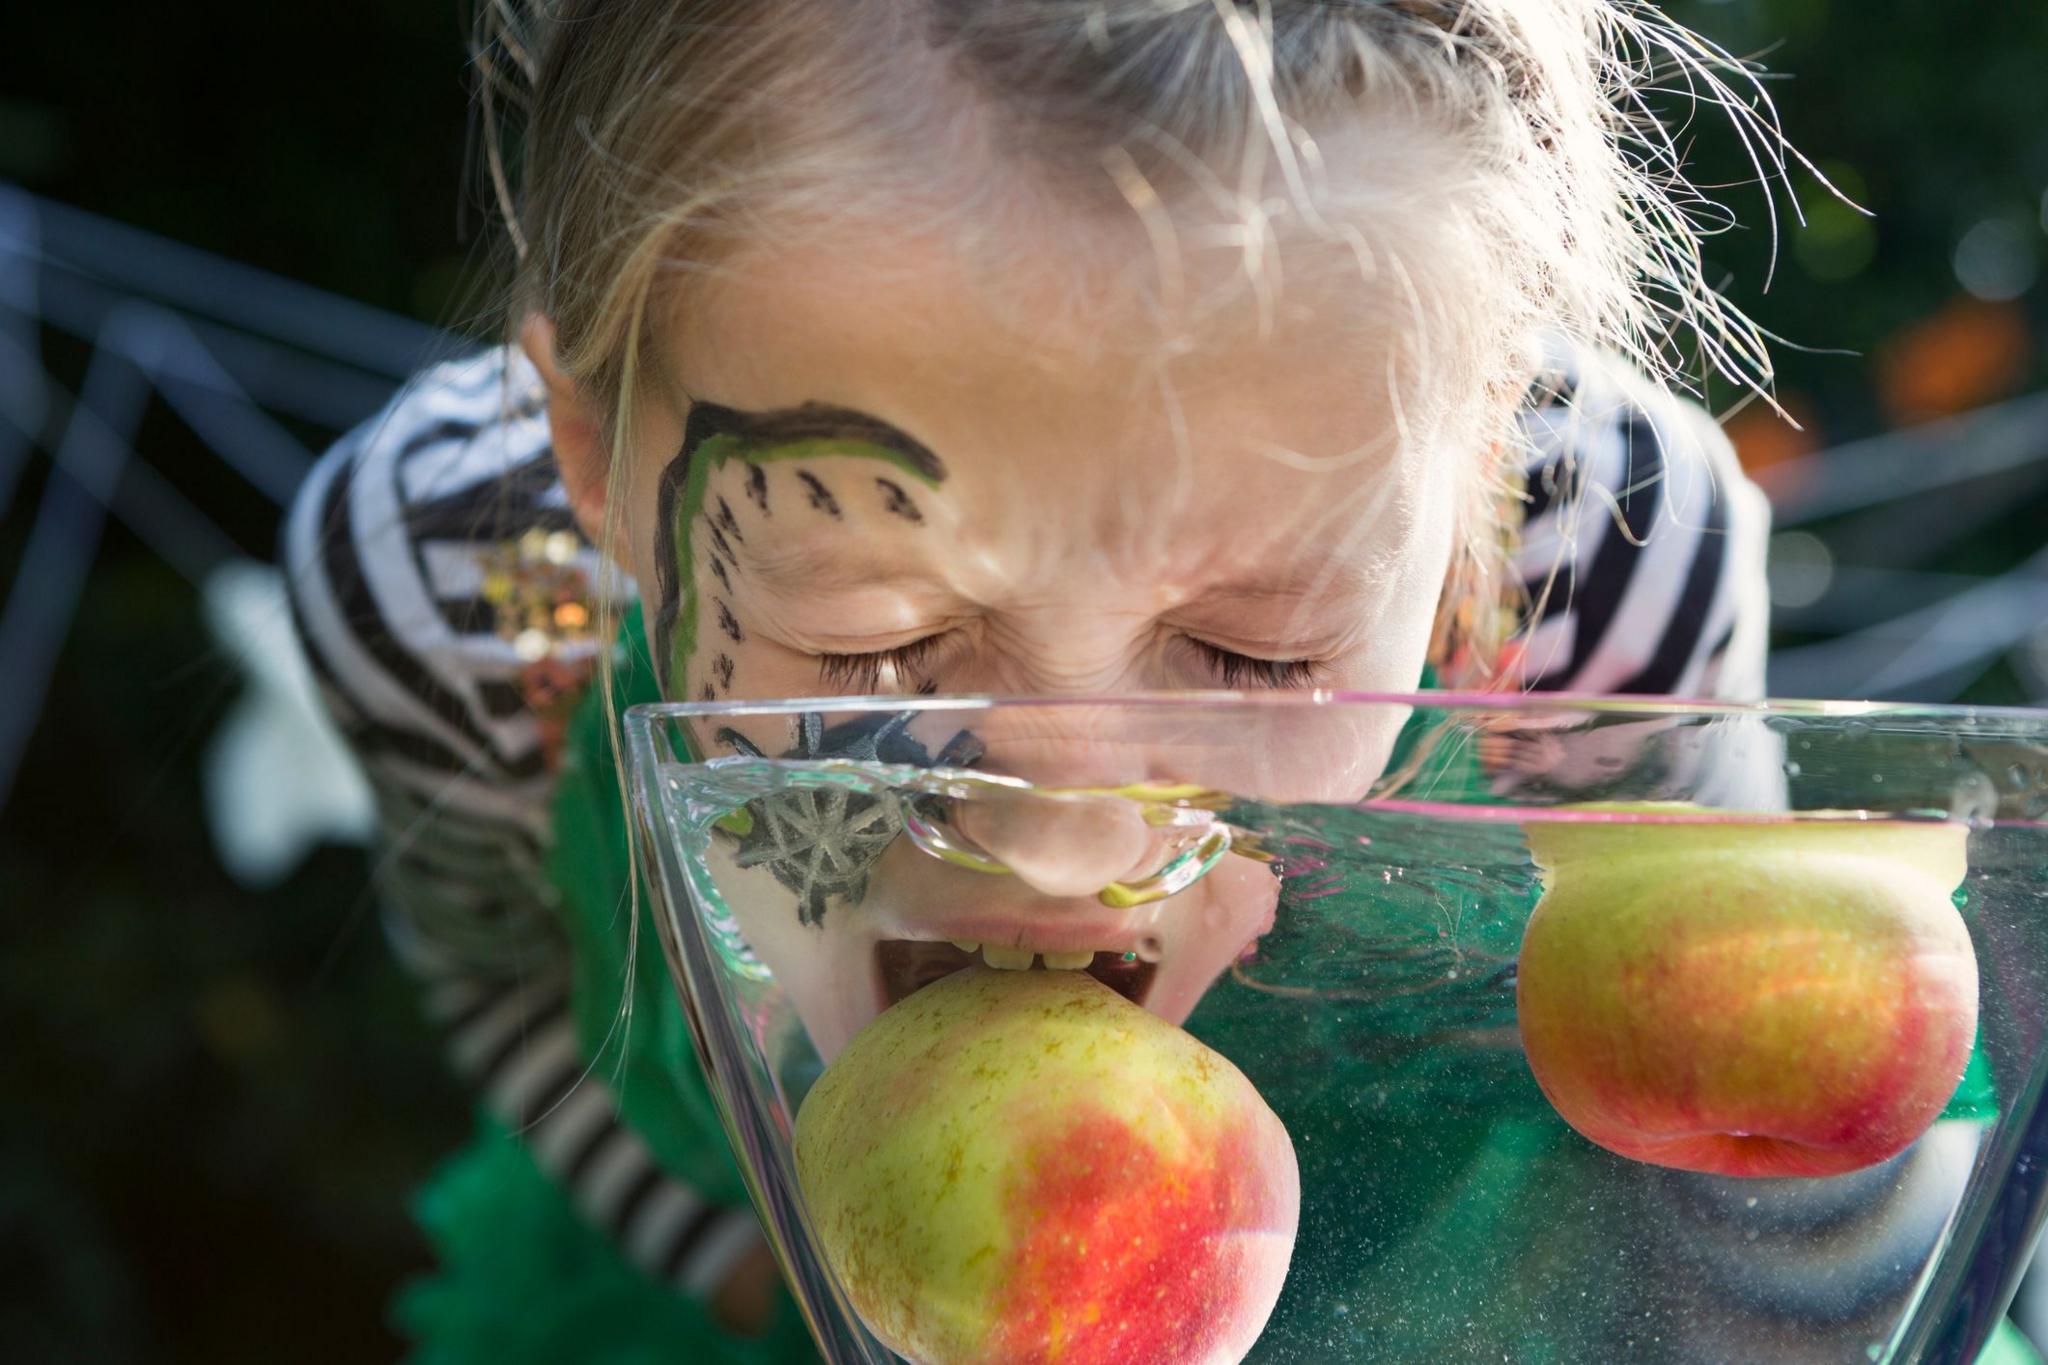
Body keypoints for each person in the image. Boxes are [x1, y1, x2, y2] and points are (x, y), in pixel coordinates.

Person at [280, 2, 2039, 1361]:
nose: (1065, 846)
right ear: (591, 465)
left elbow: (1738, 1167)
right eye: (873, 640)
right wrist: (764, 1272)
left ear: (1467, 486)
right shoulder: (470, 583)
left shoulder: (1598, 554)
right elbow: (525, 997)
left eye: (1255, 649)